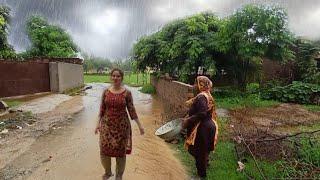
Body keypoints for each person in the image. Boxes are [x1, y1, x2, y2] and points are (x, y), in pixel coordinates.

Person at [95, 68, 145, 180]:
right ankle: (108, 172)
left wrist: (140, 126)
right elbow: (102, 110)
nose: (115, 78)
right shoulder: (106, 92)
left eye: (118, 76)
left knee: (120, 154)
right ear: (111, 77)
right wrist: (97, 124)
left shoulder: (127, 93)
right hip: (106, 127)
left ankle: (119, 175)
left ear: (121, 78)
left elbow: (132, 110)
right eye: (113, 76)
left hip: (121, 128)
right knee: (104, 151)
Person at [183, 76, 218, 179]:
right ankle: (204, 166)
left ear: (200, 85)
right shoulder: (207, 94)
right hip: (209, 126)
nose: (194, 86)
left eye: (195, 84)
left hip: (203, 128)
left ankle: (201, 176)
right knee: (204, 152)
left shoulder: (201, 97)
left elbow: (202, 113)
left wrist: (188, 120)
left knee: (199, 153)